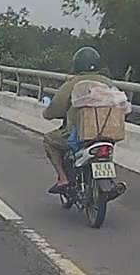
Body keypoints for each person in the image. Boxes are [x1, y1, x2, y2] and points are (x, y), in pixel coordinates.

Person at [42, 46, 114, 194]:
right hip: (106, 132)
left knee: (49, 140)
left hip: (79, 133)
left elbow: (56, 107)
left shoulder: (73, 83)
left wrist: (47, 113)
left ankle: (63, 178)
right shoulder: (108, 83)